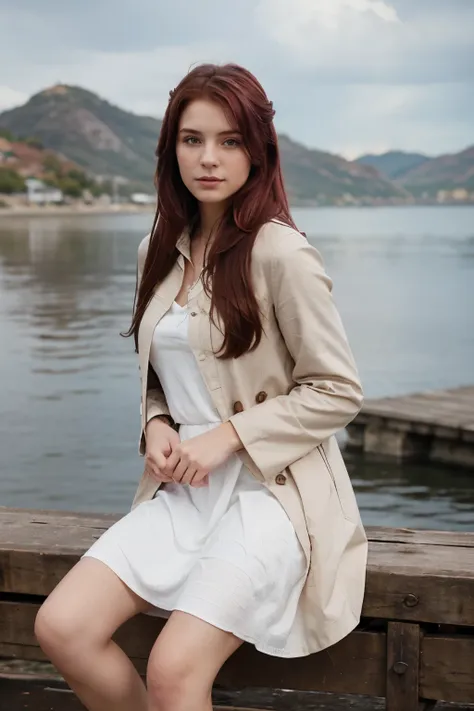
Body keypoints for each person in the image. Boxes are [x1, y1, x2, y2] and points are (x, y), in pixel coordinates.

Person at [34, 63, 368, 711]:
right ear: (171, 148)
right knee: (63, 627)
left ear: (258, 151)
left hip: (272, 500)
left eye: (229, 140)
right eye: (192, 139)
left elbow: (336, 389)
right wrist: (156, 424)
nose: (208, 158)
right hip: (185, 494)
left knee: (174, 669)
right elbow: (164, 373)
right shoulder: (157, 248)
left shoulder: (281, 253)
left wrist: (230, 435)